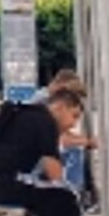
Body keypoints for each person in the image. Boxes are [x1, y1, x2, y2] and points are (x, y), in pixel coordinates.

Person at [33, 70, 99, 200]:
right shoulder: (44, 103)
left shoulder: (46, 99)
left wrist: (86, 141)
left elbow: (62, 132)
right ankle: (75, 196)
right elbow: (61, 140)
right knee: (74, 150)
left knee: (77, 147)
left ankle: (81, 193)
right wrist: (88, 142)